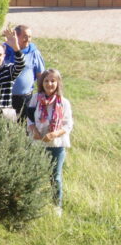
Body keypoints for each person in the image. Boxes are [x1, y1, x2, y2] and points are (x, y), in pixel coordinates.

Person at [27, 69, 73, 215]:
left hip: (56, 145)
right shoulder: (35, 99)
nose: (49, 84)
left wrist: (54, 134)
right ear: (42, 83)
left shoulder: (64, 103)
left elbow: (68, 125)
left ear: (58, 83)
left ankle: (56, 206)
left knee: (55, 176)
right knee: (34, 174)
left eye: (53, 81)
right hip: (38, 143)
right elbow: (29, 117)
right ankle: (32, 205)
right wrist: (34, 130)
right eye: (46, 80)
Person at [6, 25, 47, 117]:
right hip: (5, 97)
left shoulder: (34, 52)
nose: (28, 39)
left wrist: (42, 95)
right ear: (15, 36)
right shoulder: (5, 50)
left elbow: (40, 75)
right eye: (25, 36)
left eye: (30, 36)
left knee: (23, 126)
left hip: (24, 98)